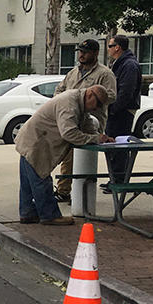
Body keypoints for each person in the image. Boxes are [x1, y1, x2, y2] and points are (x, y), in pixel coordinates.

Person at [16, 85, 113, 225]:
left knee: (29, 182)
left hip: (32, 140)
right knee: (41, 179)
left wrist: (99, 136)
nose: (97, 109)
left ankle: (28, 213)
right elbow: (69, 133)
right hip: (36, 143)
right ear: (90, 94)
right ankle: (50, 215)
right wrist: (95, 139)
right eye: (98, 104)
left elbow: (86, 124)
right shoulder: (69, 104)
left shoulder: (78, 102)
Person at [52, 39, 116, 202]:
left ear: (95, 53)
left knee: (81, 157)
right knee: (67, 155)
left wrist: (90, 96)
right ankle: (64, 190)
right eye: (80, 52)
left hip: (91, 121)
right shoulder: (73, 72)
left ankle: (80, 193)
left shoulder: (104, 73)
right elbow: (59, 89)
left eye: (85, 52)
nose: (81, 55)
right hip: (71, 118)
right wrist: (67, 100)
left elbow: (112, 96)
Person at [104, 35, 141, 190]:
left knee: (118, 145)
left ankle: (119, 180)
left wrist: (112, 109)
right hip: (117, 110)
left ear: (117, 47)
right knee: (113, 144)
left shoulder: (129, 65)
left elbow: (126, 91)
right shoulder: (120, 63)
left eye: (110, 46)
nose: (108, 49)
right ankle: (114, 178)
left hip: (122, 112)